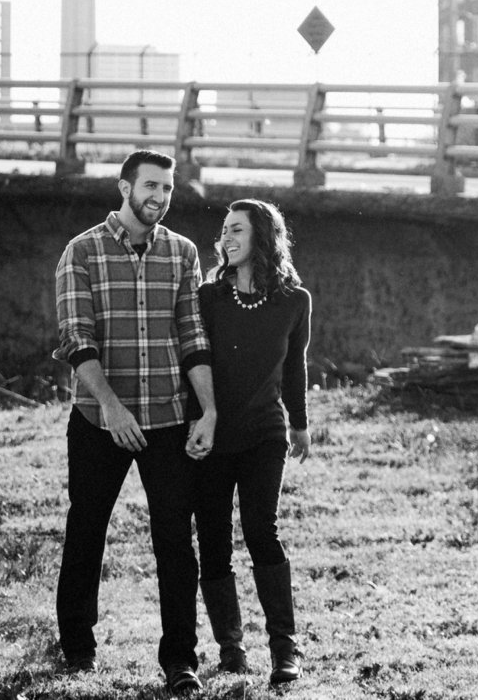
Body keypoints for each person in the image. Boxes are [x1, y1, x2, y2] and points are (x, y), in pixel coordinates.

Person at [52, 150, 218, 697]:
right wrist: (112, 407)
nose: (160, 198)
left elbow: (193, 336)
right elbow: (78, 338)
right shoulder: (82, 252)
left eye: (168, 189)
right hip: (101, 420)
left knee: (175, 539)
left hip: (168, 417)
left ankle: (180, 660)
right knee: (87, 529)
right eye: (151, 186)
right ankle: (78, 646)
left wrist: (208, 409)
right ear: (125, 188)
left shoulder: (183, 253)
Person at [189, 198, 312, 686]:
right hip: (214, 434)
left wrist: (300, 424)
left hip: (264, 432)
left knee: (262, 530)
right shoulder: (207, 297)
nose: (226, 238)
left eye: (236, 229)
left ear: (262, 235)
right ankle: (231, 649)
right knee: (214, 539)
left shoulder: (294, 300)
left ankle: (286, 650)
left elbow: (295, 367)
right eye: (223, 230)